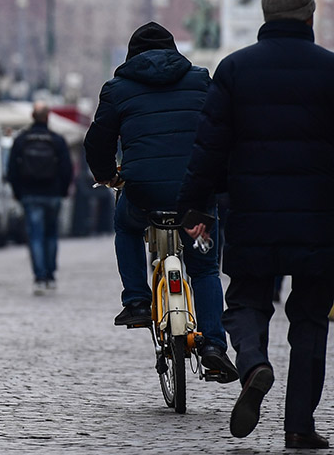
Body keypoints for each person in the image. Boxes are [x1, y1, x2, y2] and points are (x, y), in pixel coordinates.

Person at [178, 0, 334, 448]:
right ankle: (299, 427)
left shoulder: (234, 69)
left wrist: (193, 206)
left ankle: (253, 364)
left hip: (251, 213)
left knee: (246, 302)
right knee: (309, 318)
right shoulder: (331, 70)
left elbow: (209, 147)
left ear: (264, 18)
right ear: (310, 18)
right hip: (318, 220)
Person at [84, 21, 237, 382]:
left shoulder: (117, 89)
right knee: (203, 268)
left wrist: (107, 175)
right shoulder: (201, 80)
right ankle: (214, 344)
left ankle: (136, 300)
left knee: (126, 225)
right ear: (174, 51)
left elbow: (97, 141)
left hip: (144, 195)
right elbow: (222, 131)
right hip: (194, 203)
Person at [6, 102, 73, 294]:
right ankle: (51, 275)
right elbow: (66, 169)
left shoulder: (22, 140)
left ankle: (39, 277)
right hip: (52, 194)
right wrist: (63, 191)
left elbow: (11, 169)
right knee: (51, 235)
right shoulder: (57, 140)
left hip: (30, 193)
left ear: (32, 116)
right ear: (47, 117)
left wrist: (18, 192)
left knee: (35, 236)